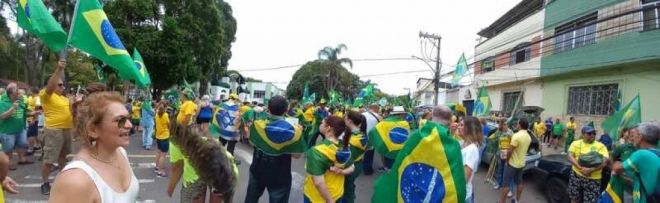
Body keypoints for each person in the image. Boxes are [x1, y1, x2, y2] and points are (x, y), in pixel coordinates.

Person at [49, 91, 139, 202]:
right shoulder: (75, 180)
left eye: (128, 118)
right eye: (120, 120)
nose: (129, 125)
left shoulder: (120, 152)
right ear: (93, 129)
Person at [245, 96, 306, 203]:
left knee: (251, 199)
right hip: (280, 177)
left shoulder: (257, 125)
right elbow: (297, 155)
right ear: (286, 110)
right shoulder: (294, 131)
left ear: (268, 108)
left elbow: (251, 143)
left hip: (257, 171)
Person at [38, 61, 73, 195]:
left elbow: (71, 113)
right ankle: (45, 182)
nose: (62, 87)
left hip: (66, 130)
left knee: (63, 156)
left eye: (63, 84)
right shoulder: (46, 95)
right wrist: (59, 69)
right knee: (49, 159)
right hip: (54, 131)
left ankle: (62, 179)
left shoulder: (63, 99)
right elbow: (50, 87)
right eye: (59, 84)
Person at [168, 88, 208, 203]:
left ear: (185, 95)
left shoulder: (189, 103)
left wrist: (182, 130)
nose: (180, 95)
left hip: (184, 129)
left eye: (182, 94)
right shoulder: (185, 103)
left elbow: (188, 117)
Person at [303, 115, 354, 203]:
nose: (320, 124)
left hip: (318, 198)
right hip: (337, 192)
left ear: (328, 128)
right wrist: (341, 172)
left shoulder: (317, 151)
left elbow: (319, 183)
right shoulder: (345, 145)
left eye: (322, 123)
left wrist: (330, 201)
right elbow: (352, 167)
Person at [612, 122, 660, 203]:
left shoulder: (641, 154)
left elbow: (616, 169)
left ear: (640, 137)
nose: (632, 138)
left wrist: (617, 161)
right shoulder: (657, 154)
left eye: (635, 135)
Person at [566, 126, 609, 203]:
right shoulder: (576, 143)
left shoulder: (601, 146)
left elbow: (604, 162)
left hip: (593, 178)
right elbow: (570, 156)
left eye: (594, 133)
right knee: (574, 197)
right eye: (589, 133)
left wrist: (591, 170)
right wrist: (580, 168)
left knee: (591, 201)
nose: (592, 135)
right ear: (583, 135)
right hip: (576, 175)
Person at [0, 83, 36, 171]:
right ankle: (8, 163)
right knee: (8, 148)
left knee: (22, 144)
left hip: (20, 129)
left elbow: (24, 113)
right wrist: (13, 108)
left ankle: (22, 159)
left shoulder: (20, 101)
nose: (19, 93)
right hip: (7, 131)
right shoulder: (3, 103)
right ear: (11, 94)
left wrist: (33, 113)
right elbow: (3, 116)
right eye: (17, 91)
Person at [499, 118, 532, 203]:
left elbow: (510, 150)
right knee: (519, 182)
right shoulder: (528, 137)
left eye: (517, 123)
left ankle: (502, 201)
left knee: (506, 184)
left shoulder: (516, 135)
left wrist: (507, 161)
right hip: (521, 164)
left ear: (520, 125)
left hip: (512, 164)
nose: (516, 125)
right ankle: (517, 200)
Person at [343, 111, 368, 203]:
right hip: (355, 165)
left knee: (347, 190)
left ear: (349, 121)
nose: (343, 119)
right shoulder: (357, 133)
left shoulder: (357, 138)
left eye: (345, 118)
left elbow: (346, 155)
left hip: (352, 166)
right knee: (349, 186)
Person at [459, 116, 485, 203]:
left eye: (461, 125)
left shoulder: (471, 149)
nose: (458, 127)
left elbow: (464, 179)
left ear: (469, 128)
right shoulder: (463, 143)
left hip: (463, 196)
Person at [488, 120, 514, 197]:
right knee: (500, 170)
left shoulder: (510, 132)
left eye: (507, 125)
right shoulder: (498, 133)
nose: (506, 126)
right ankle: (499, 184)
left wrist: (510, 137)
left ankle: (510, 190)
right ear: (501, 126)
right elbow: (490, 138)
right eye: (504, 125)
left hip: (508, 155)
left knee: (508, 173)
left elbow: (514, 142)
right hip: (500, 154)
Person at [360, 104, 381, 176]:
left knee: (360, 154)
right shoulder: (378, 117)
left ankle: (359, 168)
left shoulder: (361, 115)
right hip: (371, 139)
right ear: (376, 108)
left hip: (359, 138)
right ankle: (367, 170)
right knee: (369, 154)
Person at [154, 100, 170, 178]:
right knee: (163, 155)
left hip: (158, 136)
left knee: (158, 152)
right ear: (166, 107)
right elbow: (168, 125)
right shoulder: (166, 115)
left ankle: (157, 166)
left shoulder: (157, 113)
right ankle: (160, 171)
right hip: (165, 136)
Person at [26, 87, 41, 156]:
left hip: (33, 119)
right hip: (31, 118)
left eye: (29, 90)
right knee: (34, 133)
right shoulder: (32, 98)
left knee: (30, 134)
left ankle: (30, 149)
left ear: (32, 91)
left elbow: (38, 110)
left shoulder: (37, 98)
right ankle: (37, 146)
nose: (28, 91)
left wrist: (34, 119)